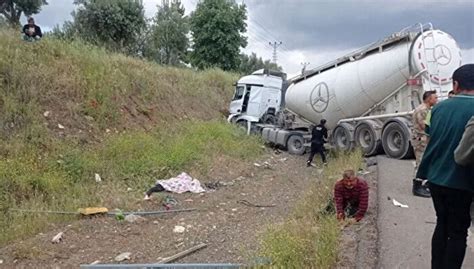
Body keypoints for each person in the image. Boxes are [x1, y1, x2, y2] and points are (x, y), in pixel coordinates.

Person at [416, 64, 474, 269]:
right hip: (463, 182)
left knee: (442, 224)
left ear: (456, 85)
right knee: (458, 232)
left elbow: (431, 134)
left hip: (436, 178)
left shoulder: (438, 108)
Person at [411, 90, 438, 197]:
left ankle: (424, 184)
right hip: (420, 139)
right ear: (428, 99)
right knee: (420, 162)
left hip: (423, 139)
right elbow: (425, 127)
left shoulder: (426, 109)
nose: (437, 100)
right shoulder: (422, 110)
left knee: (425, 161)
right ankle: (417, 187)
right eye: (435, 98)